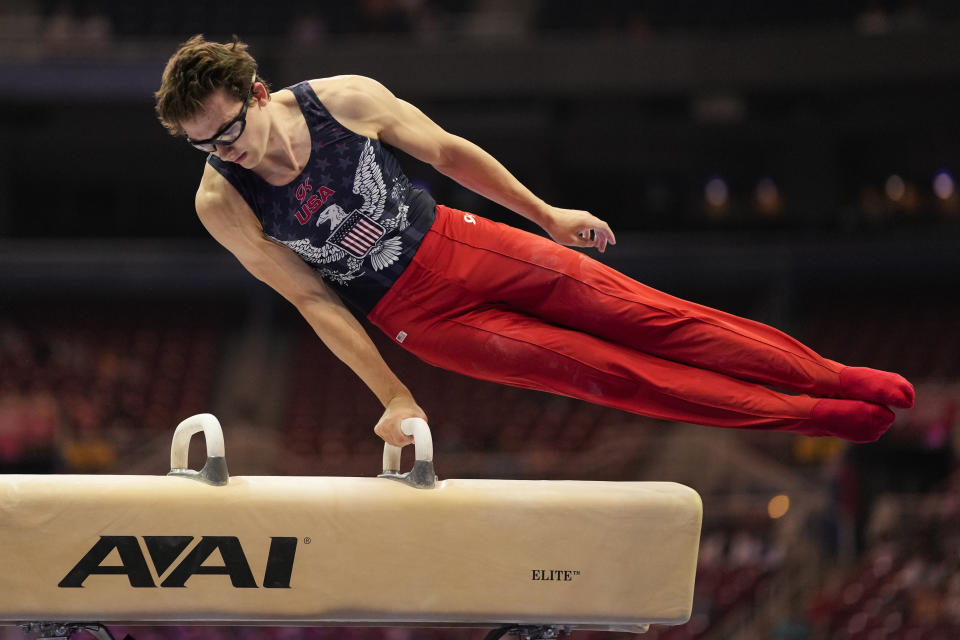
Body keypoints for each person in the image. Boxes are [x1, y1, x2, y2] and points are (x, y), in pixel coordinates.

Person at [154, 35, 914, 448]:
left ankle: (831, 377)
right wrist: (394, 394)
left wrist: (545, 214)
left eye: (228, 130)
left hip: (467, 242)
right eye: (204, 146)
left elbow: (448, 153)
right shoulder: (223, 201)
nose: (226, 151)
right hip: (427, 322)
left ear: (256, 93)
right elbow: (313, 298)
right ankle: (810, 417)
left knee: (652, 318)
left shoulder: (343, 100)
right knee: (618, 377)